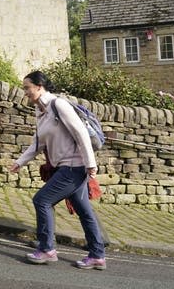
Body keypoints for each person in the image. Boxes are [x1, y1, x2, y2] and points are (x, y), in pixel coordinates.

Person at [8, 70, 106, 270]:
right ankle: (97, 256)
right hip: (67, 167)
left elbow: (80, 133)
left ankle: (47, 250)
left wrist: (90, 164)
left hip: (74, 167)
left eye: (27, 87)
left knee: (42, 200)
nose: (25, 92)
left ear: (39, 86)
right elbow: (38, 143)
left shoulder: (58, 104)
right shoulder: (41, 111)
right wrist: (20, 162)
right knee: (84, 210)